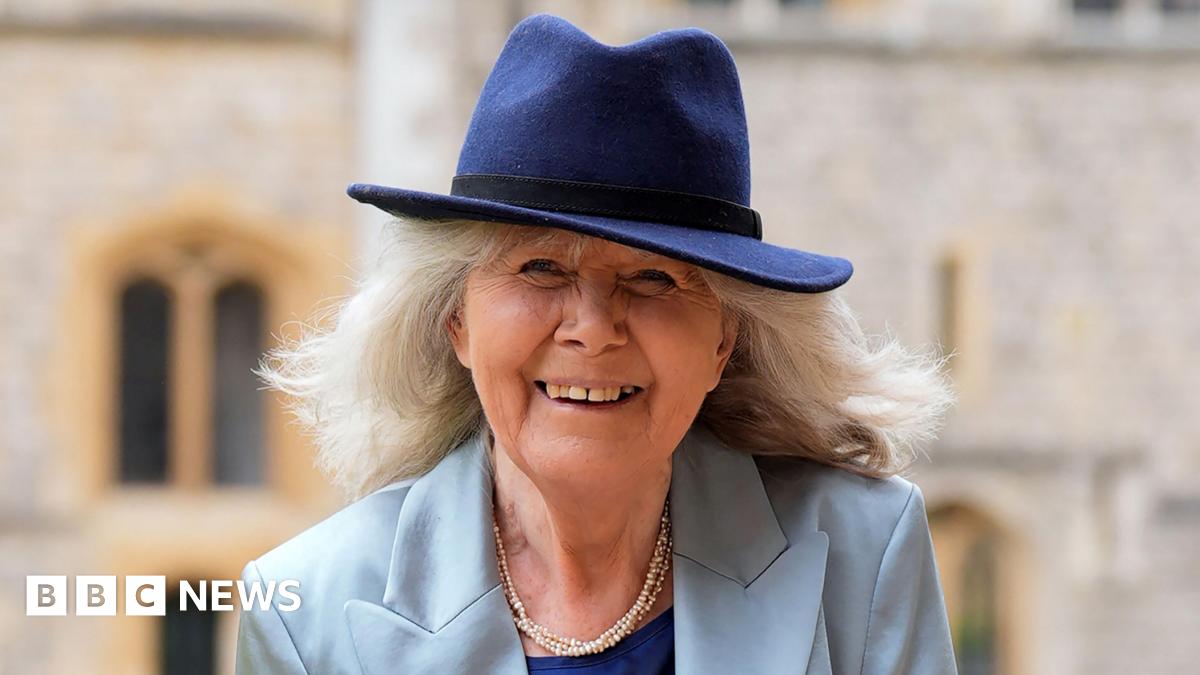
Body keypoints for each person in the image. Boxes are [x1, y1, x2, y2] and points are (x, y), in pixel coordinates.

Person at [234, 12, 959, 675]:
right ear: (456, 318)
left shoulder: (864, 554)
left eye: (652, 278)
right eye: (540, 267)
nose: (593, 327)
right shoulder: (307, 614)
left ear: (723, 340)